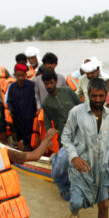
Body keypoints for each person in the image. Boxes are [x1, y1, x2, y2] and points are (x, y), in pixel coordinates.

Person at [60, 78, 109, 218]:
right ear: (88, 94)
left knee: (104, 204)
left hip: (101, 169)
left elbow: (108, 142)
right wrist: (74, 157)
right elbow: (65, 137)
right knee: (76, 203)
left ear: (106, 95)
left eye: (101, 96)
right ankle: (72, 217)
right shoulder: (76, 112)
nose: (97, 99)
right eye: (94, 96)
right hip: (82, 167)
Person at [40, 70, 82, 200]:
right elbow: (47, 123)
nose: (49, 86)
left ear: (56, 82)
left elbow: (81, 107)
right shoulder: (46, 103)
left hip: (81, 132)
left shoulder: (67, 92)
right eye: (46, 84)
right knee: (58, 171)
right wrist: (49, 139)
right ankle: (64, 189)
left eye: (51, 83)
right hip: (64, 138)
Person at [6, 63, 37, 150]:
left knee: (31, 137)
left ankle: (32, 151)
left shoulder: (32, 85)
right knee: (21, 136)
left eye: (22, 75)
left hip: (31, 117)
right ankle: (24, 150)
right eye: (18, 75)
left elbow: (36, 99)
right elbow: (9, 101)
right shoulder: (12, 87)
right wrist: (11, 111)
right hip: (18, 118)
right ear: (15, 75)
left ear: (25, 75)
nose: (20, 78)